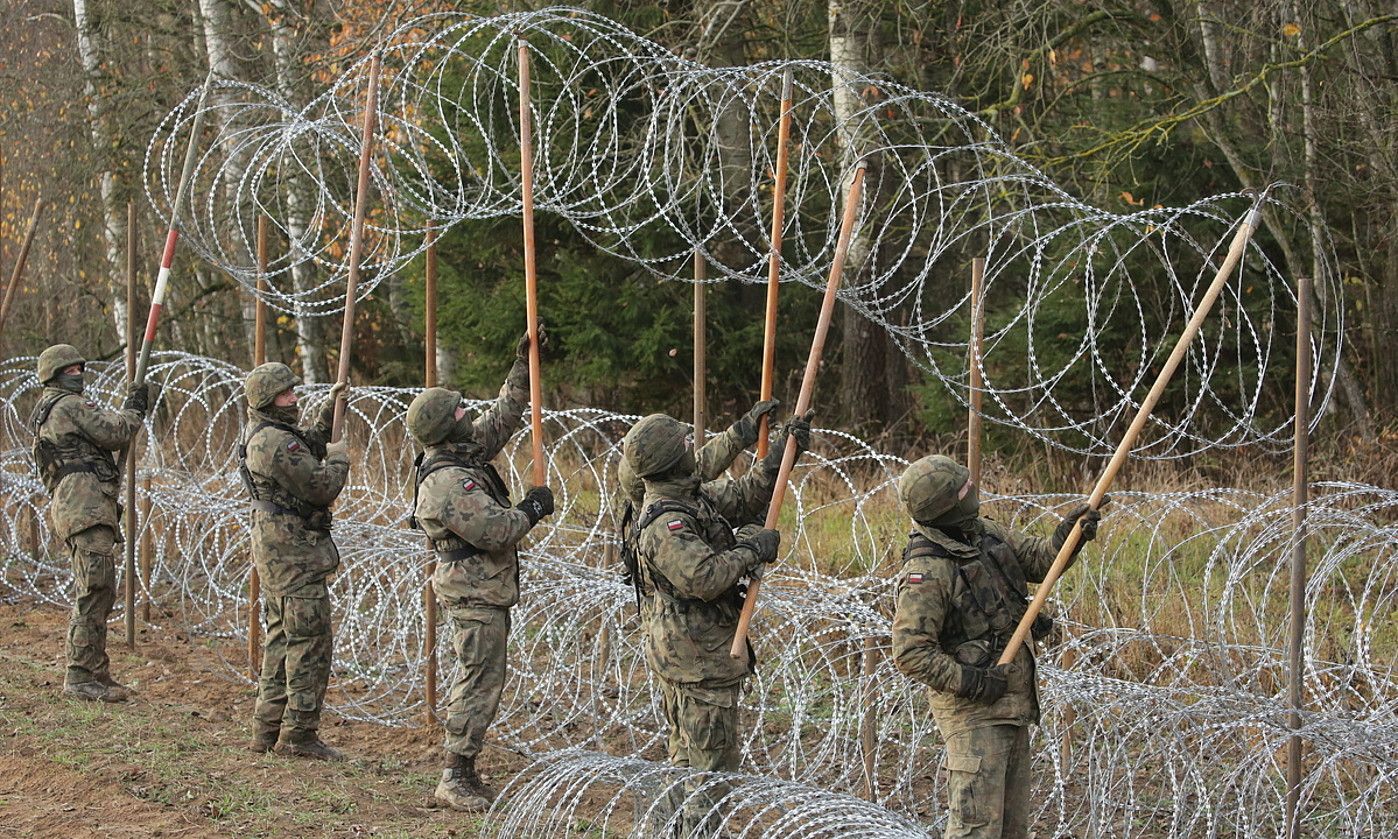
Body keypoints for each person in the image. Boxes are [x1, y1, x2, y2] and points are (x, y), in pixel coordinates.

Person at [890, 454, 1102, 839]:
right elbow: (910, 651)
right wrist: (972, 681)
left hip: (1013, 702)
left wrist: (1068, 537)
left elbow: (1039, 561)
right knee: (977, 829)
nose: (972, 491)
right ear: (945, 506)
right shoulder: (928, 571)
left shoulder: (981, 531)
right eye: (963, 489)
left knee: (1010, 830)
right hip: (975, 716)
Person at [622, 408, 809, 836]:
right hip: (696, 657)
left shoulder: (689, 496)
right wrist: (751, 549)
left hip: (691, 651)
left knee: (688, 757)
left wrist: (783, 453)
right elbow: (704, 578)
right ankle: (697, 831)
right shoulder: (666, 522)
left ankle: (674, 830)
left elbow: (745, 497)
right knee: (711, 769)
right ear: (672, 460)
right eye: (687, 443)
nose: (695, 446)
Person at [406, 328, 554, 812]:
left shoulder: (461, 451)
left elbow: (504, 416)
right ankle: (456, 775)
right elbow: (495, 531)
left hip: (484, 588)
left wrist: (525, 364)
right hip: (473, 593)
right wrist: (532, 508)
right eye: (458, 412)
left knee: (483, 676)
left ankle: (462, 768)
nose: (467, 414)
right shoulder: (448, 481)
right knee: (478, 679)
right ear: (446, 428)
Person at [30, 344, 154, 702]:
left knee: (98, 589)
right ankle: (81, 675)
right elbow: (113, 433)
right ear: (54, 375)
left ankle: (95, 672)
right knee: (95, 589)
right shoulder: (68, 405)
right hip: (85, 507)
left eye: (80, 367)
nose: (79, 374)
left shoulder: (46, 409)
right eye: (71, 370)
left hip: (77, 506)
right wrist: (135, 408)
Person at [240, 363, 350, 760]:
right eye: (287, 394)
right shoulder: (273, 442)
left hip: (279, 553)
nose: (294, 399)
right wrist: (339, 460)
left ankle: (267, 728)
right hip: (294, 554)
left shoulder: (269, 433)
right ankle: (299, 734)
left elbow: (309, 444)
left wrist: (331, 410)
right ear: (270, 401)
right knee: (308, 641)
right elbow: (319, 486)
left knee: (282, 638)